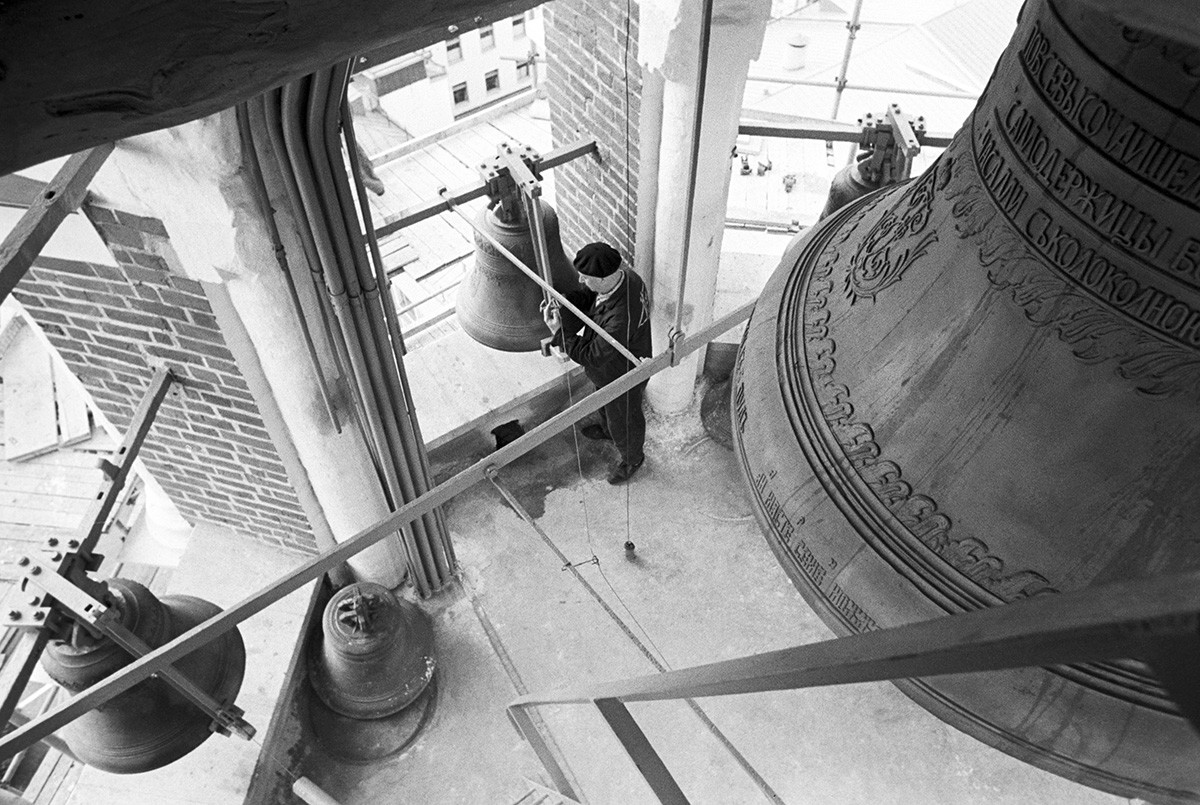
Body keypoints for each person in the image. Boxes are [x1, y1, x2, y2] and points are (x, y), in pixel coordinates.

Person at [543, 242, 652, 484]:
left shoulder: (620, 319)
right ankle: (608, 430)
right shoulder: (626, 278)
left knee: (625, 419)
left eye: (586, 276)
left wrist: (560, 332)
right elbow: (590, 297)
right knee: (606, 405)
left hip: (622, 374)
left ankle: (633, 458)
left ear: (603, 279)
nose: (581, 280)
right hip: (608, 369)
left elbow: (591, 355)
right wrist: (565, 302)